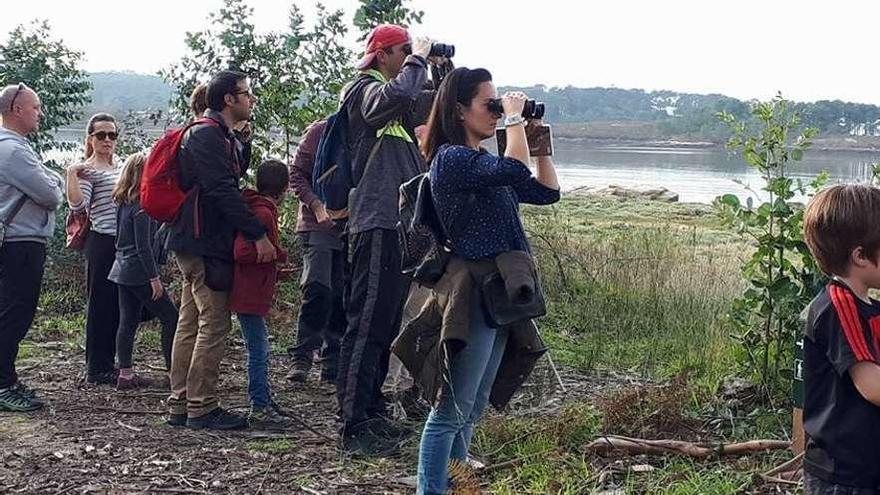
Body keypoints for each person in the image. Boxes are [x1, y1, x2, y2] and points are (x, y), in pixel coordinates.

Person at [412, 67, 560, 494]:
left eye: (500, 106)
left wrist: (538, 138)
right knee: (450, 408)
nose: (496, 112)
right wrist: (514, 120)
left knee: (472, 405)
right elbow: (513, 166)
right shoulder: (452, 160)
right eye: (489, 105)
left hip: (499, 294)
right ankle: (432, 489)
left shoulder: (485, 167)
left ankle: (457, 484)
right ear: (460, 110)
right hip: (473, 293)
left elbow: (546, 191)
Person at [335, 23, 441, 454]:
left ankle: (372, 410)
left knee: (384, 324)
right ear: (382, 55)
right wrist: (418, 56)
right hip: (375, 221)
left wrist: (438, 68)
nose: (408, 60)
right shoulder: (362, 90)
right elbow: (395, 98)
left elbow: (432, 110)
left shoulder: (397, 100)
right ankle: (352, 422)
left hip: (396, 224)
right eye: (402, 52)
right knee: (366, 325)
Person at [166, 70, 276, 431]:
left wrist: (242, 141)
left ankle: (181, 404)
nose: (251, 99)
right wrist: (256, 232)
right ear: (229, 99)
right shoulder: (206, 135)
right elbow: (222, 190)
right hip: (204, 241)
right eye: (246, 94)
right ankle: (201, 407)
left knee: (190, 322)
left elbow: (229, 175)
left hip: (192, 240)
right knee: (212, 323)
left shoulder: (214, 134)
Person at [800, 184, 880, 494]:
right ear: (861, 256)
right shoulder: (838, 307)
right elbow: (871, 385)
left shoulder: (868, 305)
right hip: (842, 475)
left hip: (865, 464)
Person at [0, 83, 64, 411]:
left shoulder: (15, 147)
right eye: (36, 107)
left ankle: (7, 378)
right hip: (20, 241)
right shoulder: (12, 150)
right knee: (15, 312)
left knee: (12, 311)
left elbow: (50, 182)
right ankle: (3, 385)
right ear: (17, 110)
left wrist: (51, 179)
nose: (40, 112)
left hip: (18, 240)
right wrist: (55, 180)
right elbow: (53, 194)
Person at [108, 152, 178, 390]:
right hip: (138, 271)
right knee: (171, 318)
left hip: (121, 269)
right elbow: (143, 247)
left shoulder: (122, 203)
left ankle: (125, 374)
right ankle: (174, 373)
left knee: (128, 320)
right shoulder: (142, 207)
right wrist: (154, 278)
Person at [230, 159, 292, 427]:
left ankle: (264, 397)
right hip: (249, 294)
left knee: (261, 347)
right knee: (259, 350)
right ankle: (259, 405)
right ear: (285, 189)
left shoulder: (263, 211)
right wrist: (276, 255)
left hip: (255, 290)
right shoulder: (263, 214)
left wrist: (277, 271)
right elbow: (243, 252)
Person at [67, 113, 124, 385]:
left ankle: (112, 362)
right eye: (101, 135)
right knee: (100, 304)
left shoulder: (121, 166)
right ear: (91, 137)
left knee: (118, 303)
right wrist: (71, 174)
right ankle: (97, 367)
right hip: (101, 242)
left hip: (123, 242)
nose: (107, 140)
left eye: (112, 135)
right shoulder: (87, 170)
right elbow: (78, 207)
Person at [287, 120, 344, 384]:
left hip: (351, 227)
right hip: (316, 224)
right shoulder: (320, 131)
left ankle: (333, 360)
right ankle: (302, 355)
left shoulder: (369, 132)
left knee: (343, 294)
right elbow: (296, 174)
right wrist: (317, 206)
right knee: (318, 288)